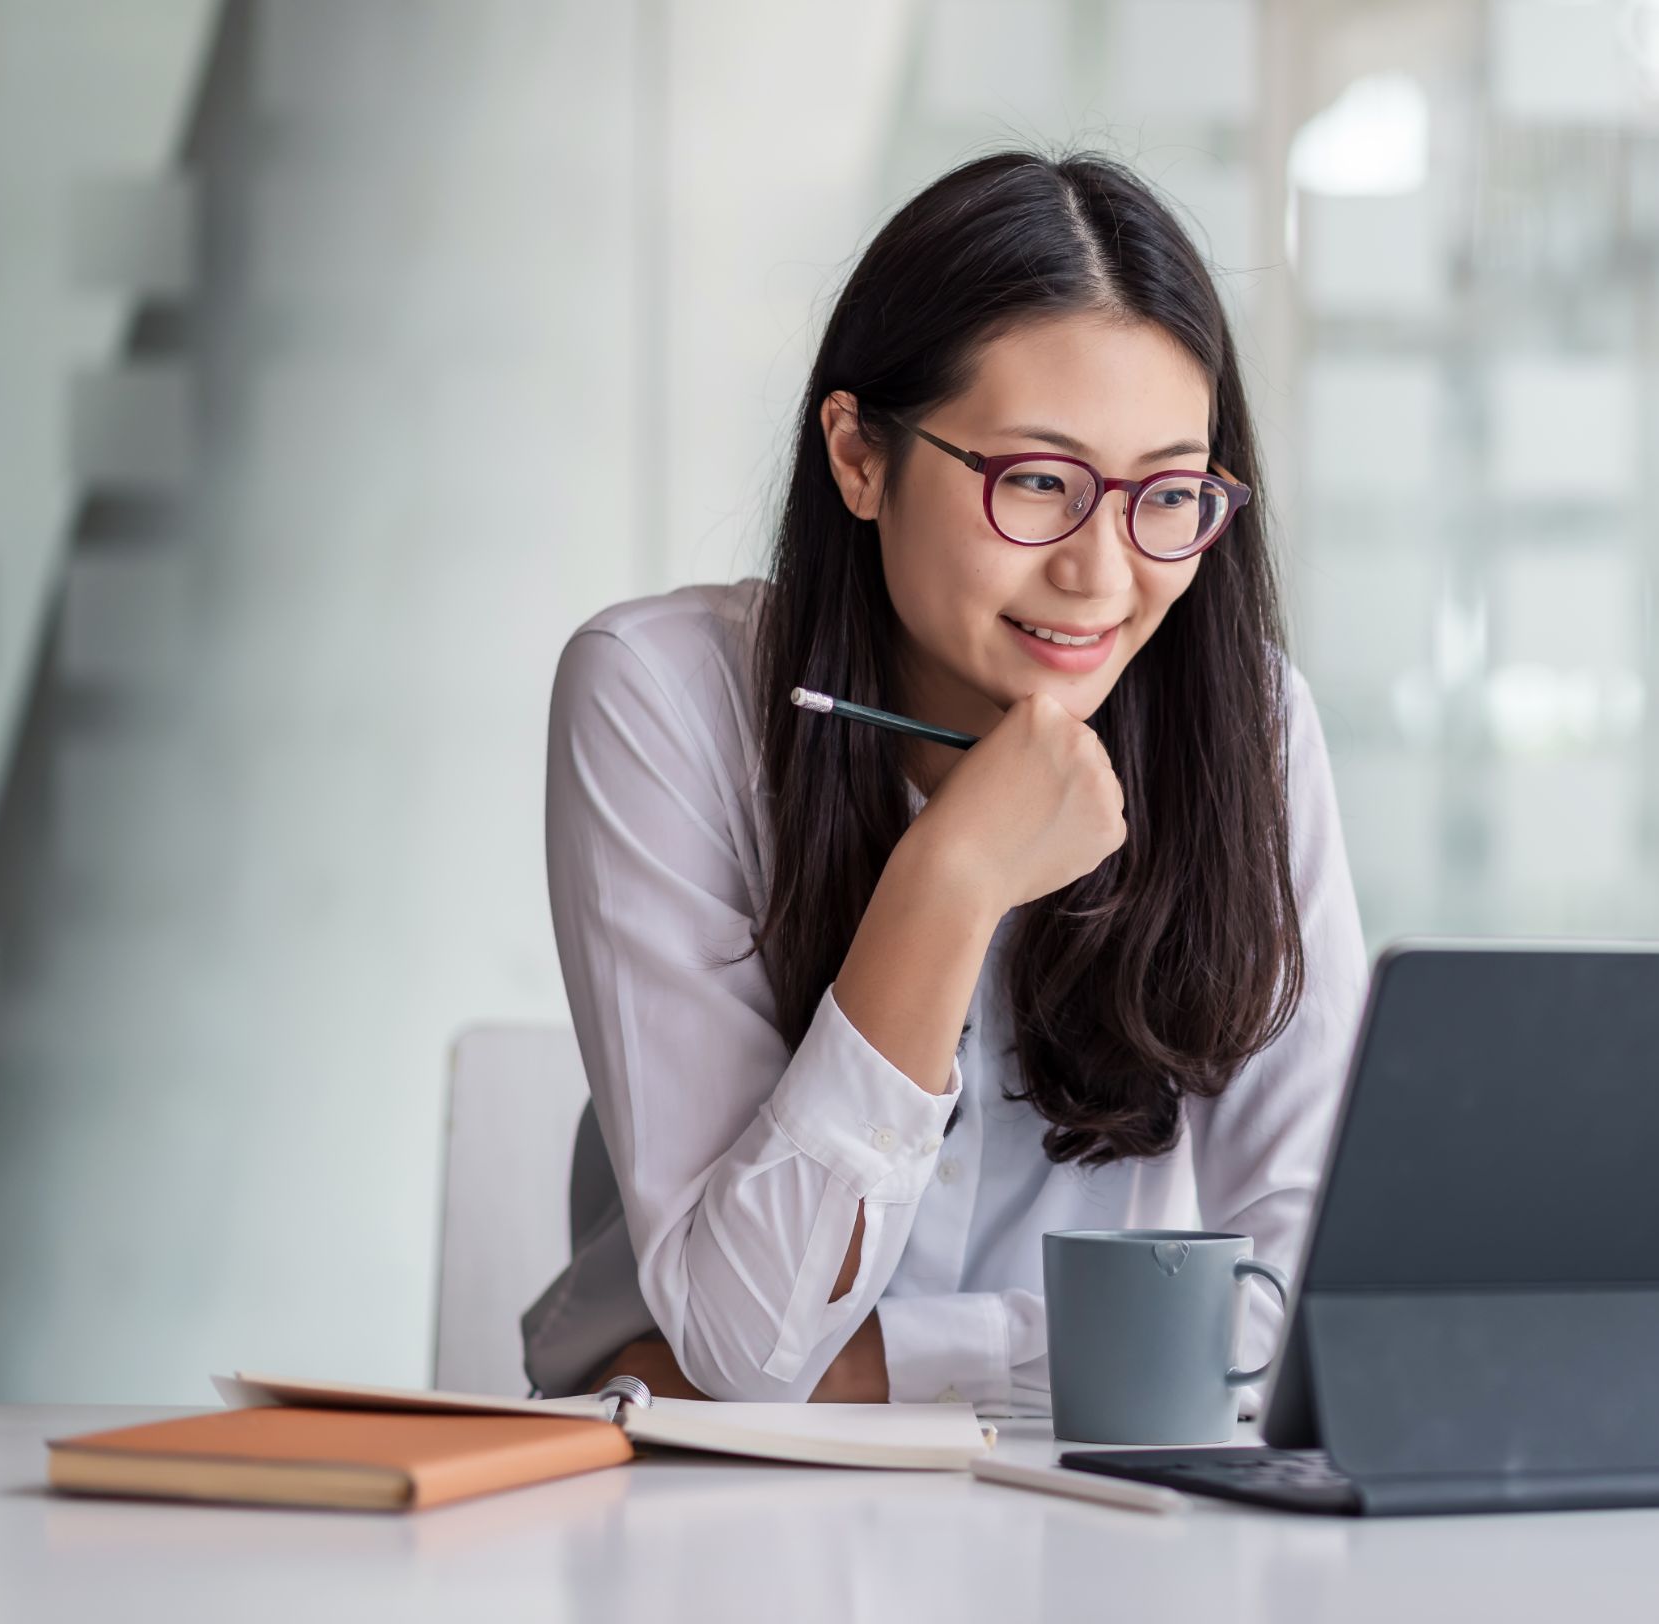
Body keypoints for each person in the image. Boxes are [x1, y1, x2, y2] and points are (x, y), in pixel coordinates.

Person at [520, 149, 1368, 1412]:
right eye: (1036, 481)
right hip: (719, 1541)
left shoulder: (1246, 724)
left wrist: (887, 1367)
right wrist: (956, 875)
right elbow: (752, 1346)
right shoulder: (658, 697)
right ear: (860, 456)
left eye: (1168, 494)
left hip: (1091, 1531)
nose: (1104, 571)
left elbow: (1323, 1294)